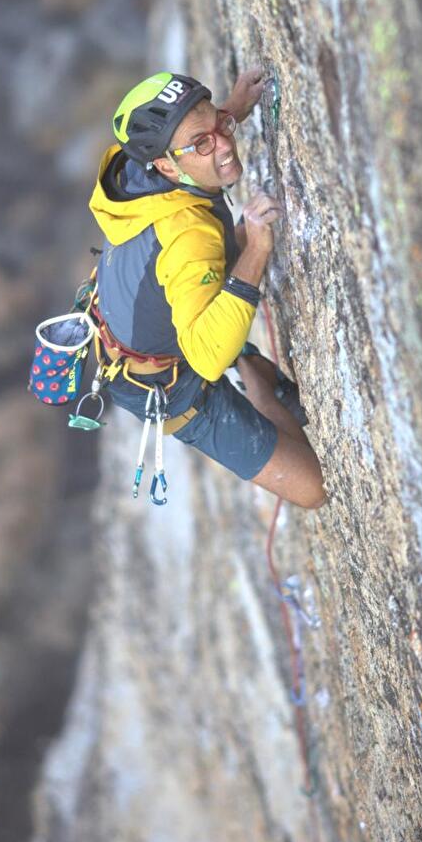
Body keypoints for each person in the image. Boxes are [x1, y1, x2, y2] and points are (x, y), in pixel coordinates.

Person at [87, 67, 326, 510]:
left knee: (212, 255)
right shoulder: (188, 236)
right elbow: (206, 357)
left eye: (218, 124)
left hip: (143, 319)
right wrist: (256, 247)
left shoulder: (140, 171)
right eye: (202, 143)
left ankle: (244, 355)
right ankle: (253, 376)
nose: (223, 143)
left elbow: (193, 136)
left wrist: (232, 110)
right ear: (164, 165)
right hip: (168, 382)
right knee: (312, 489)